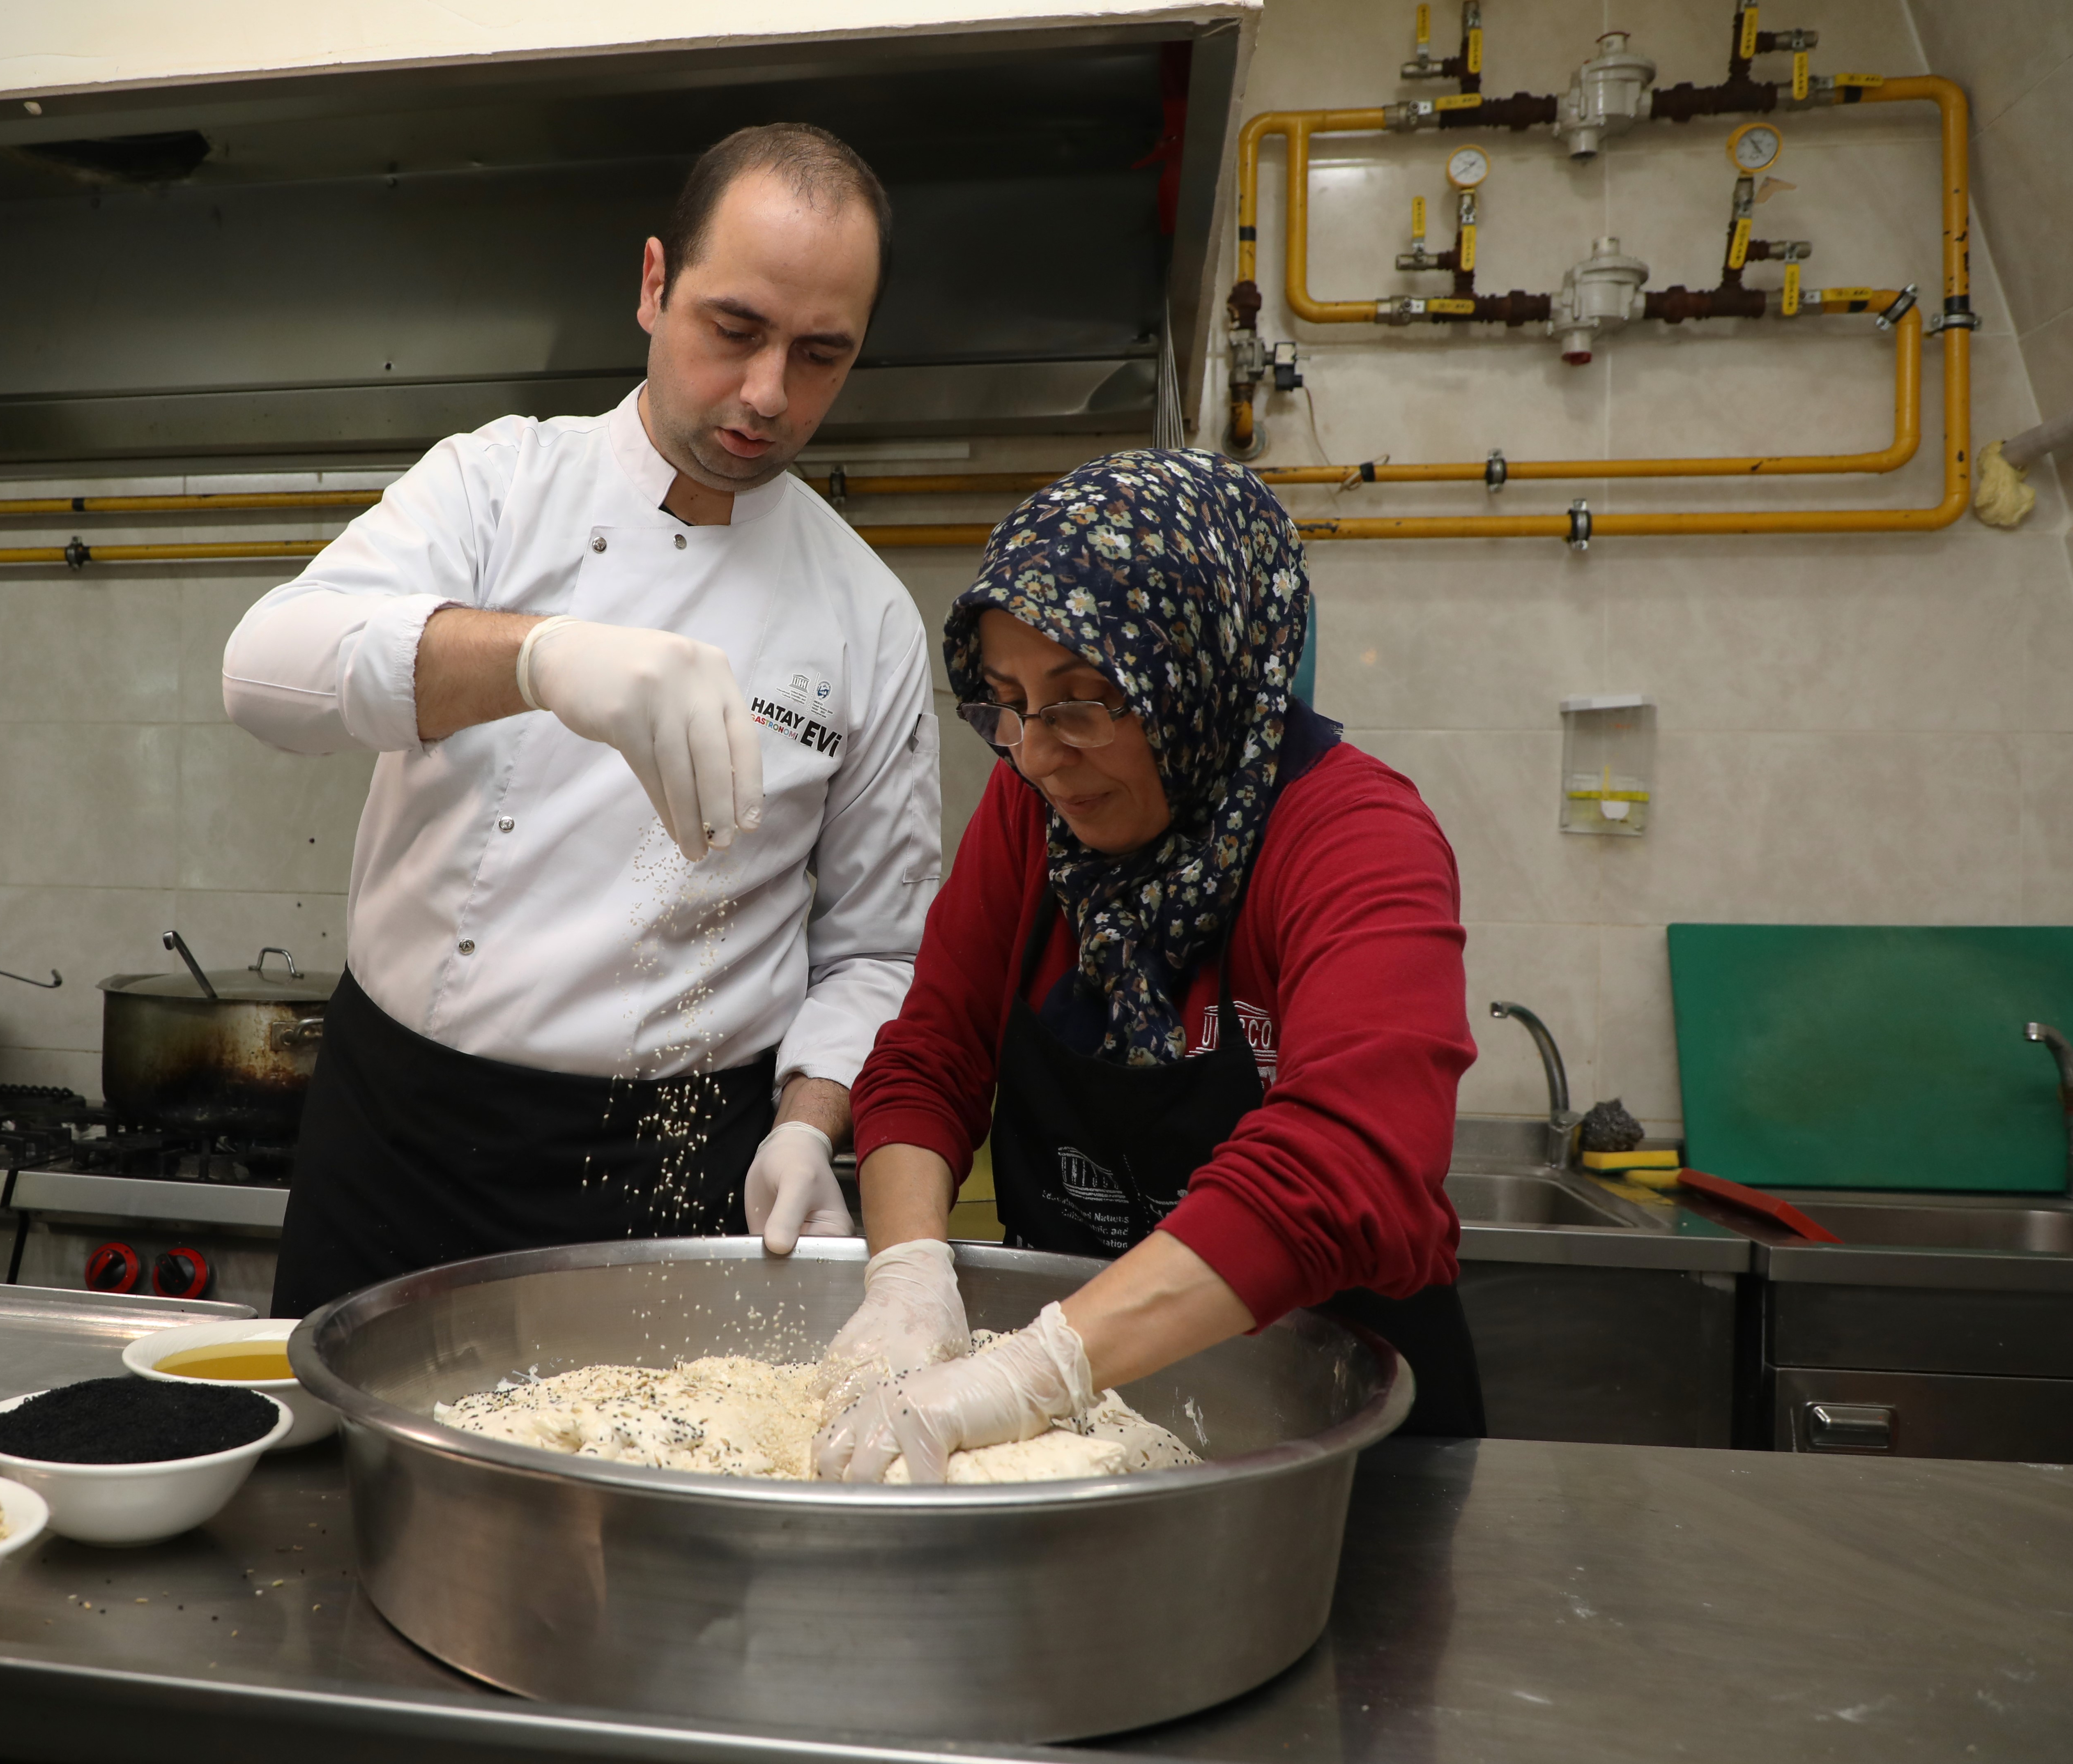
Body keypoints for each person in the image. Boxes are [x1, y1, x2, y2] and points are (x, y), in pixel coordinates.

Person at [222, 124, 939, 1319]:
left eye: (821, 354)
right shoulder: (496, 486)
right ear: (655, 285)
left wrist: (811, 1126)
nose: (768, 394)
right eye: (736, 330)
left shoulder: (866, 614)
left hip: (676, 1160)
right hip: (403, 1134)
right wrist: (540, 658)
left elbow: (876, 950)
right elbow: (266, 671)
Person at [810, 449, 1483, 1483]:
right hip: (1072, 1455)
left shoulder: (1354, 836)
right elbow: (930, 1054)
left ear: (1197, 677)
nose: (1035, 755)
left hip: (1327, 1454)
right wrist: (908, 1276)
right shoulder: (1037, 816)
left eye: (1083, 703)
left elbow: (1350, 1166)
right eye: (1006, 703)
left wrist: (1036, 1369)